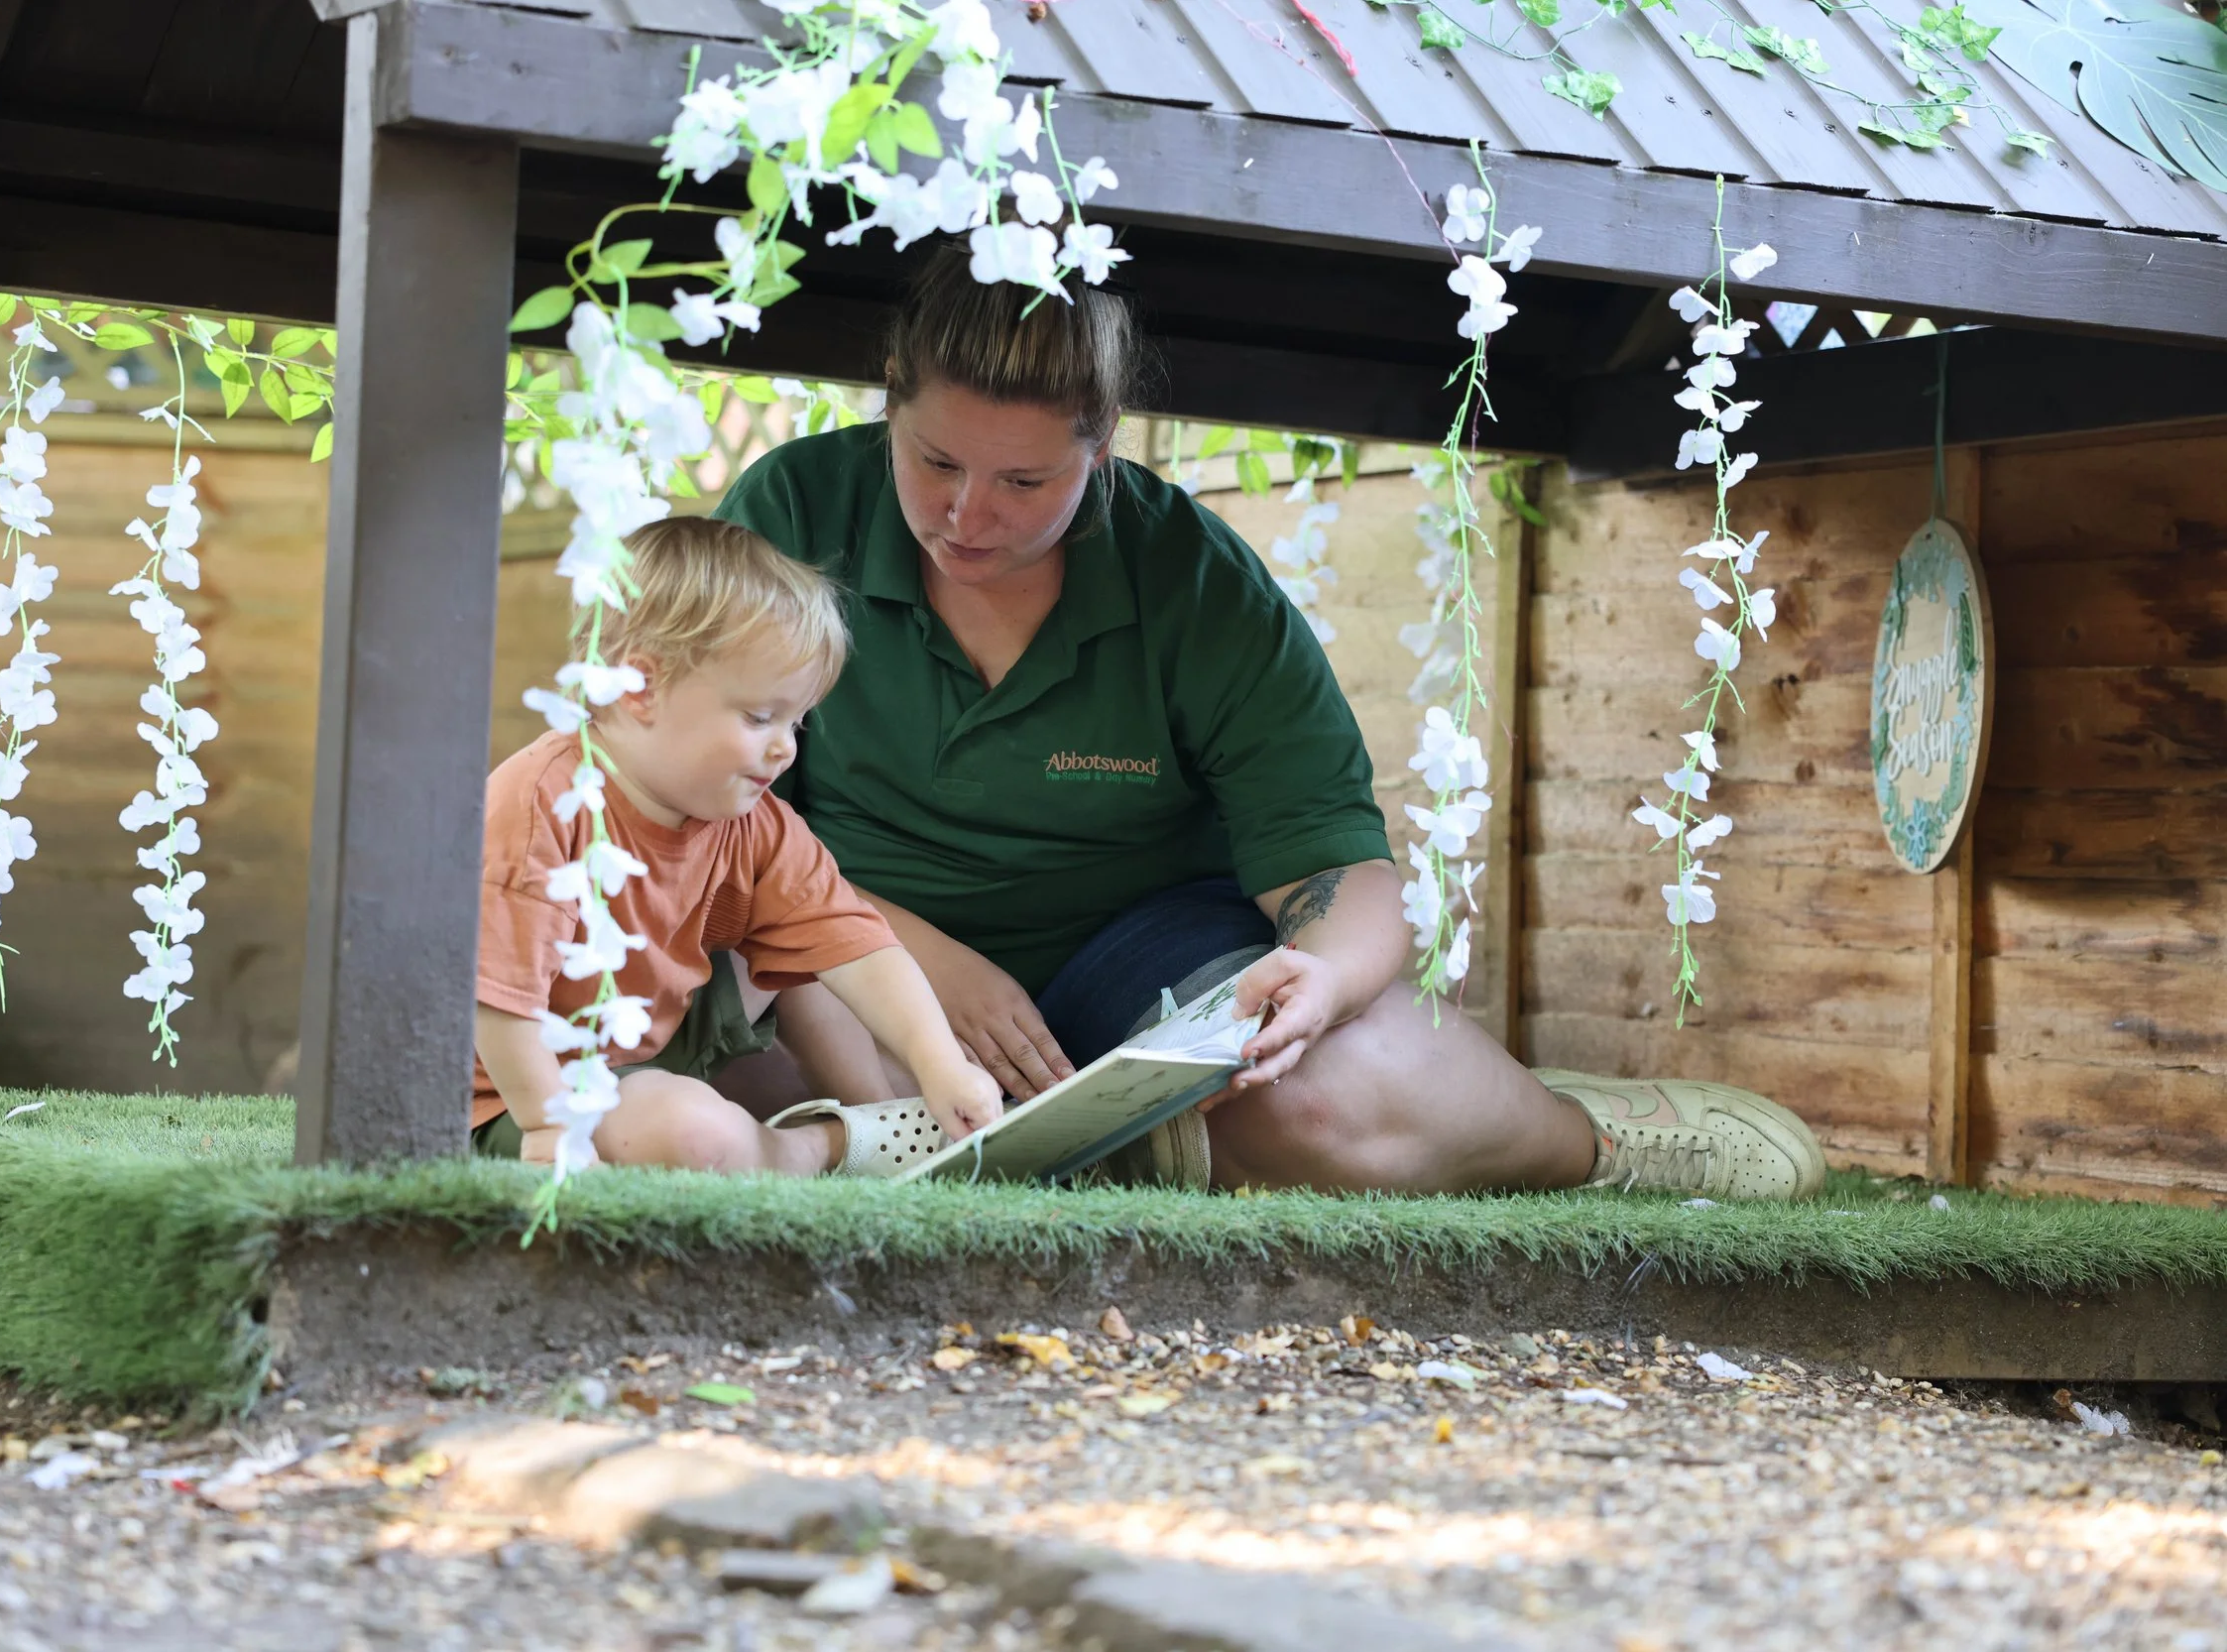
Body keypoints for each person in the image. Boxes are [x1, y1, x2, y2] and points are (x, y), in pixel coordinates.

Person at [711, 245, 1826, 1202]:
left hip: (1144, 960)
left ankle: (1588, 1141)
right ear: (890, 398)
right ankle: (1108, 1146)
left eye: (1024, 481)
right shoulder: (792, 512)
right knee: (733, 1091)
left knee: (1327, 1097)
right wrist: (915, 959)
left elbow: (1341, 877)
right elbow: (707, 819)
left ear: (1103, 444)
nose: (968, 514)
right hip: (844, 956)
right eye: (935, 462)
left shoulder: (1193, 578)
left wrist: (1322, 981)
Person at [470, 517, 1003, 1175]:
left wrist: (941, 1064)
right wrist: (550, 1128)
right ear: (640, 687)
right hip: (517, 1091)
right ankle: (820, 1149)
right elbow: (497, 1001)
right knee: (691, 1132)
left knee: (811, 949)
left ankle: (879, 1113)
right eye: (759, 717)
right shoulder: (541, 806)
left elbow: (859, 949)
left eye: (796, 722)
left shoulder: (749, 820)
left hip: (653, 1040)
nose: (786, 749)